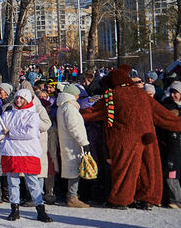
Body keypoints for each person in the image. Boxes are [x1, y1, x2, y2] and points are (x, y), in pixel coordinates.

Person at [81, 65, 181, 209]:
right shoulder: (142, 94)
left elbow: (93, 112)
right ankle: (147, 198)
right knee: (147, 168)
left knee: (125, 168)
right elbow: (163, 116)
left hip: (125, 138)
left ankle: (121, 199)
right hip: (148, 136)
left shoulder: (113, 96)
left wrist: (73, 112)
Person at [0, 89, 53, 223]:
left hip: (28, 152)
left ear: (27, 99)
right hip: (11, 152)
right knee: (12, 182)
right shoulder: (8, 114)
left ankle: (40, 209)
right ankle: (14, 209)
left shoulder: (33, 115)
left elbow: (30, 133)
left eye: (21, 98)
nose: (18, 100)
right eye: (17, 98)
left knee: (33, 182)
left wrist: (11, 133)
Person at [55, 84, 90, 208]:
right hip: (73, 144)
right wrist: (84, 143)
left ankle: (72, 195)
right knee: (74, 170)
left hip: (67, 143)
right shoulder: (69, 108)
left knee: (72, 169)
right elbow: (75, 128)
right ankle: (72, 196)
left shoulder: (62, 107)